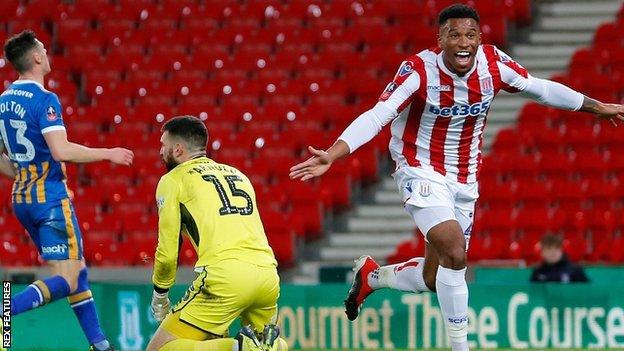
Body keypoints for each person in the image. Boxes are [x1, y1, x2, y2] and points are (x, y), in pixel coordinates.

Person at [289, 4, 624, 351]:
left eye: (470, 35)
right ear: (440, 39)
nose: (463, 42)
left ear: (479, 38)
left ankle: (372, 277)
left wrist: (597, 107)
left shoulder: (493, 65)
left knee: (435, 278)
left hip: (464, 180)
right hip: (418, 167)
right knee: (454, 250)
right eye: (454, 34)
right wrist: (334, 151)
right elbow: (378, 116)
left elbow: (540, 89)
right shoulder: (419, 70)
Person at [0, 30, 134, 350]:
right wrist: (108, 153)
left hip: (22, 199)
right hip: (50, 201)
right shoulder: (45, 100)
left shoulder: (3, 100)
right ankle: (6, 310)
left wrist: (23, 175)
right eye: (43, 49)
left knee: (76, 272)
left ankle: (100, 345)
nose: (47, 52)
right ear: (35, 58)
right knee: (69, 278)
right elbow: (60, 151)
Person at [146, 116, 288, 351]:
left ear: (178, 149)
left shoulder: (173, 180)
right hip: (267, 274)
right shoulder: (239, 175)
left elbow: (168, 248)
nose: (161, 151)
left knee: (158, 349)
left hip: (224, 278)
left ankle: (239, 348)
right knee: (264, 345)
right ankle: (277, 347)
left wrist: (160, 293)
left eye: (164, 145)